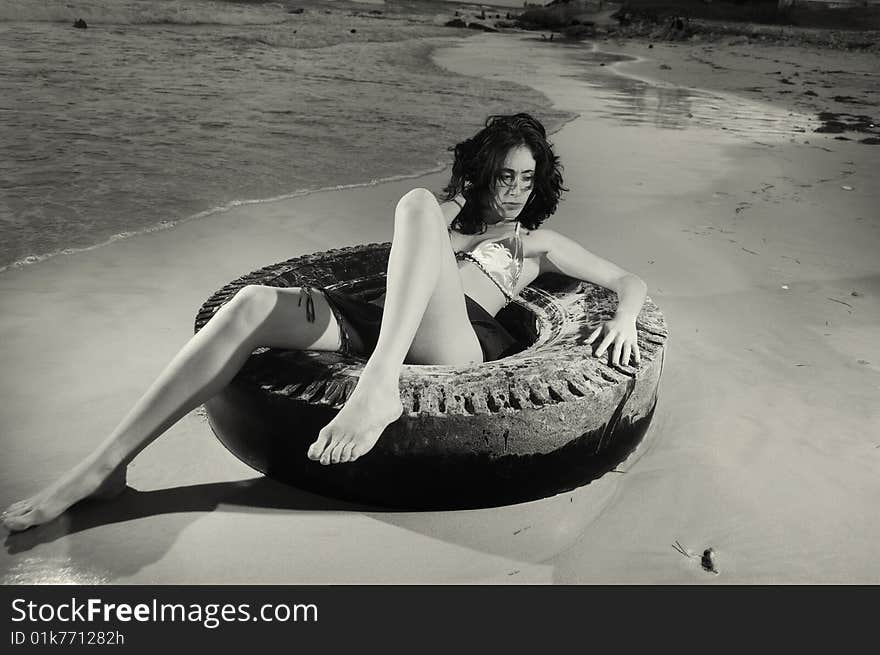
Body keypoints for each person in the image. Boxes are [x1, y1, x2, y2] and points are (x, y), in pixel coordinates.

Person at [2, 113, 646, 532]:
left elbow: (625, 279)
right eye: (502, 175)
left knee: (415, 201)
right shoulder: (446, 218)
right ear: (482, 173)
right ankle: (106, 466)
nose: (513, 190)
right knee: (252, 302)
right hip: (385, 320)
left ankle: (379, 387)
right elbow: (411, 258)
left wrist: (625, 318)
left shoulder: (533, 244)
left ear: (540, 184)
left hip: (463, 338)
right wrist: (459, 200)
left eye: (526, 179)